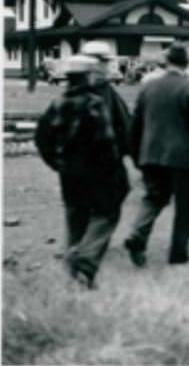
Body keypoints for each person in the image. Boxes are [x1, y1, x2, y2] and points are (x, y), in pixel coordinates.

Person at [34, 55, 124, 288]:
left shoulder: (57, 103)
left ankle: (74, 275)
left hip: (69, 172)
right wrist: (112, 168)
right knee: (106, 214)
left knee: (75, 217)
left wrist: (55, 162)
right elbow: (107, 141)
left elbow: (42, 139)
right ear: (87, 76)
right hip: (96, 171)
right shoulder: (94, 103)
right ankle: (85, 258)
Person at [124, 43, 189, 266]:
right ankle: (178, 255)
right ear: (186, 63)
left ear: (166, 63)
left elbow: (135, 125)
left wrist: (136, 155)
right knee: (184, 208)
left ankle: (138, 235)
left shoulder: (147, 88)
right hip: (182, 158)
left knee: (153, 198)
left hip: (150, 154)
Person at [80, 41, 131, 213]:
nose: (108, 65)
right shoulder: (101, 92)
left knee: (79, 215)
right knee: (107, 213)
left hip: (77, 166)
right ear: (95, 64)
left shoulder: (74, 89)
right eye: (105, 62)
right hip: (102, 163)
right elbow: (122, 124)